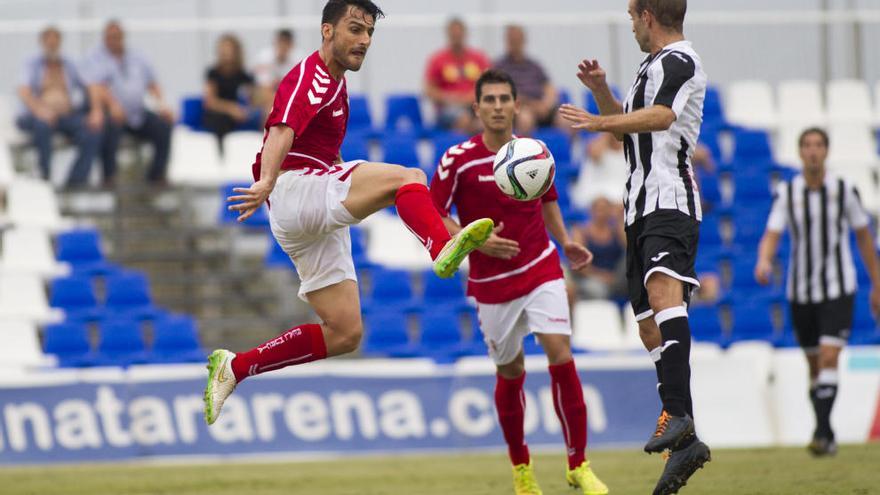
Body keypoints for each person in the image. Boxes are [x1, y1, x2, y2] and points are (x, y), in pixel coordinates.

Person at [204, 0, 493, 427]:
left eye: (369, 33)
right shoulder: (311, 77)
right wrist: (267, 179)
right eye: (355, 29)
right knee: (408, 176)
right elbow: (282, 128)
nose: (364, 40)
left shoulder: (336, 83)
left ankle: (234, 368)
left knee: (345, 332)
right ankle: (439, 248)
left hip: (303, 208)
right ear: (327, 31)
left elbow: (319, 146)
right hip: (295, 191)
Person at [429, 69, 607, 495]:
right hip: (492, 286)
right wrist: (474, 238)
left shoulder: (535, 152)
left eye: (503, 99)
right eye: (487, 100)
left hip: (541, 265)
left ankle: (578, 464)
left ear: (516, 105)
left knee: (560, 354)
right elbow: (433, 211)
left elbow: (549, 199)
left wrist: (566, 242)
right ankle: (521, 468)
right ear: (476, 108)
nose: (496, 106)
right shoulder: (458, 159)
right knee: (511, 372)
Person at [559, 1, 711, 493]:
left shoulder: (681, 60)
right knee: (647, 327)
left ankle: (680, 417)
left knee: (665, 297)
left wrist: (598, 122)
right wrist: (603, 93)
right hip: (638, 210)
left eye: (631, 16)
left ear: (648, 15)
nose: (629, 25)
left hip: (671, 202)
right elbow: (631, 134)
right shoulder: (648, 67)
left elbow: (662, 118)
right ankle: (685, 441)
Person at [755, 127, 880, 457]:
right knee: (814, 366)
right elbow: (772, 232)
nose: (812, 151)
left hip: (839, 287)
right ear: (799, 152)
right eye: (807, 145)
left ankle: (822, 433)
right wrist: (764, 261)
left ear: (826, 151)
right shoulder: (788, 192)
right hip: (801, 290)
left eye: (818, 145)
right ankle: (825, 431)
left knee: (828, 357)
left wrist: (877, 283)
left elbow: (864, 236)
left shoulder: (843, 189)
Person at [82, 20, 174, 185]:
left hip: (136, 113)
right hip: (113, 114)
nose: (113, 40)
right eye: (110, 37)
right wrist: (112, 106)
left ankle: (156, 177)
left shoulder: (138, 56)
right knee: (109, 128)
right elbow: (95, 86)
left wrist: (162, 105)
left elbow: (152, 83)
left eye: (116, 37)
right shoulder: (95, 57)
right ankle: (109, 177)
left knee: (163, 127)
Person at [16, 26, 101, 186]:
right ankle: (45, 177)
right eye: (49, 42)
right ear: (42, 43)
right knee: (42, 127)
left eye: (55, 42)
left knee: (92, 131)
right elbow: (23, 91)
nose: (52, 46)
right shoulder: (31, 64)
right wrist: (41, 110)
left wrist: (96, 110)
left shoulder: (69, 64)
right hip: (36, 115)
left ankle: (76, 181)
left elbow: (91, 85)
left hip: (64, 116)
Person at [424, 17, 490, 133]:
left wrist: (469, 98)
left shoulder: (478, 58)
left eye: (459, 34)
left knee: (486, 121)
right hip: (447, 109)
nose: (456, 38)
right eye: (453, 35)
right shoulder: (437, 59)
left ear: (465, 34)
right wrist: (448, 97)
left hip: (475, 106)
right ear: (448, 35)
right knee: (463, 119)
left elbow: (489, 85)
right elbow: (429, 90)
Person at [493, 25, 559, 136]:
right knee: (525, 119)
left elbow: (549, 87)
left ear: (524, 40)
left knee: (566, 118)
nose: (515, 42)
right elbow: (503, 93)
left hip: (542, 107)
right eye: (512, 39)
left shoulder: (534, 65)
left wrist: (546, 105)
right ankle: (526, 152)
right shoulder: (499, 67)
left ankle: (565, 152)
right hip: (519, 109)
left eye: (517, 39)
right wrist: (533, 105)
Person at [202, 33, 259, 150]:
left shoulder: (245, 75)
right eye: (223, 48)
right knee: (220, 120)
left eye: (229, 48)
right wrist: (231, 109)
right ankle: (221, 154)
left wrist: (247, 109)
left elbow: (254, 97)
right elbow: (210, 101)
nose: (226, 52)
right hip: (218, 114)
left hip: (239, 115)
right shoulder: (213, 73)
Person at [569, 196, 627, 300]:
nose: (601, 213)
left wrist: (619, 218)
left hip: (616, 278)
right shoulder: (581, 232)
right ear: (591, 211)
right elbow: (580, 265)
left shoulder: (616, 231)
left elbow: (629, 248)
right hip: (591, 278)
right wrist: (603, 276)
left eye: (605, 209)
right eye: (598, 209)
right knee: (597, 289)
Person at [253, 29, 305, 114]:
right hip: (268, 95)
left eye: (286, 44)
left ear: (291, 45)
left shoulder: (300, 60)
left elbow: (300, 87)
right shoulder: (264, 57)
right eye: (280, 43)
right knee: (270, 101)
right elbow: (263, 87)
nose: (283, 47)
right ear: (275, 43)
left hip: (290, 95)